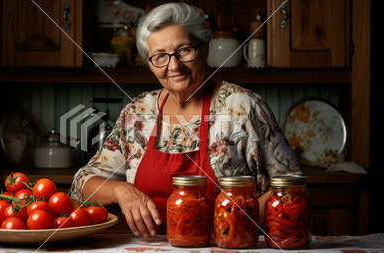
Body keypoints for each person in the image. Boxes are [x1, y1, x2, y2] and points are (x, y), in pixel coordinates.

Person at [71, 2, 302, 238]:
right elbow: (81, 184)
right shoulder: (138, 112)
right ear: (150, 64)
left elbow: (292, 186)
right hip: (150, 252)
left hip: (227, 248)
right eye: (159, 56)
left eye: (183, 50)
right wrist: (121, 190)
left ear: (204, 49)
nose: (174, 66)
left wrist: (231, 223)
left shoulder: (242, 107)